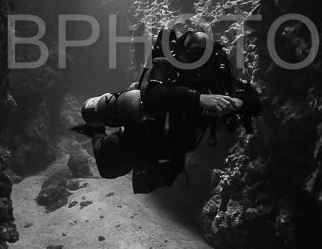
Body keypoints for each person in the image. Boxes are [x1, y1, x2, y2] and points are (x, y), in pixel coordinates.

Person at [72, 28, 262, 193]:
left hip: (174, 143)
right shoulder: (167, 64)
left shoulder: (215, 73)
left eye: (203, 59)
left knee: (163, 173)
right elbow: (151, 94)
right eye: (194, 57)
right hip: (143, 128)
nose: (198, 66)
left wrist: (238, 102)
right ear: (183, 54)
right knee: (108, 170)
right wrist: (199, 99)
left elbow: (255, 102)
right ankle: (96, 131)